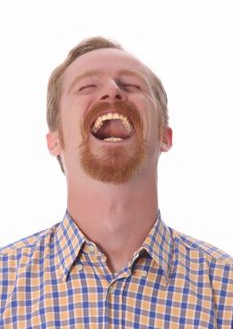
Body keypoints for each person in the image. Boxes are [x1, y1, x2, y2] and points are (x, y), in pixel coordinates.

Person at [0, 37, 232, 328]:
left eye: (131, 86)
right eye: (87, 87)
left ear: (165, 136)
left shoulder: (226, 288)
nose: (112, 91)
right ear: (55, 141)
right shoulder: (3, 285)